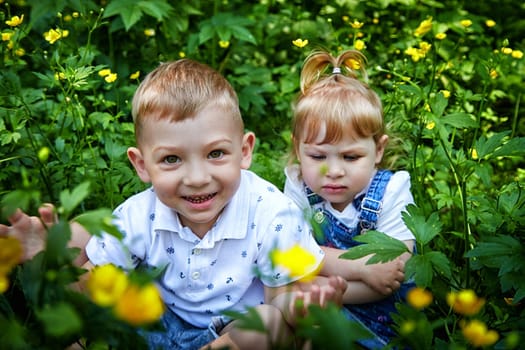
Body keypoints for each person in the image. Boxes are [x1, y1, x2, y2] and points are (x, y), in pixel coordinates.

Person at [0, 58, 346, 350]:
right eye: (171, 160)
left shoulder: (272, 213)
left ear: (244, 151)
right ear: (141, 165)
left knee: (269, 324)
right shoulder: (138, 215)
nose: (196, 177)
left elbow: (278, 303)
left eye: (215, 154)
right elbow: (90, 294)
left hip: (232, 331)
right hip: (154, 325)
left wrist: (300, 306)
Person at [283, 49, 416, 349]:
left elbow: (394, 271)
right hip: (320, 310)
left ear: (378, 150)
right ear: (298, 148)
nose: (334, 171)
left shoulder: (392, 190)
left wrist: (319, 282)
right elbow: (289, 254)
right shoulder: (297, 185)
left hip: (386, 323)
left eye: (351, 156)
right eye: (317, 156)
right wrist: (361, 268)